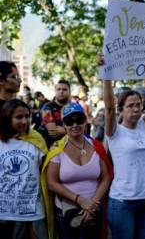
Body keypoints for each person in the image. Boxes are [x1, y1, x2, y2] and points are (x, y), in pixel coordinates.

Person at [102, 58, 145, 238]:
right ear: (121, 110)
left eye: (138, 105)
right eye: (130, 106)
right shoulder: (114, 131)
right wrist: (106, 73)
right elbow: (109, 107)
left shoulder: (143, 125)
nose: (135, 109)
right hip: (122, 202)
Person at [43, 102, 112, 239]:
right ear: (64, 125)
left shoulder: (97, 146)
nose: (75, 125)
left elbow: (106, 177)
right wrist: (79, 200)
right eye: (69, 121)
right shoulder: (57, 148)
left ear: (85, 121)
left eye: (79, 120)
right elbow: (51, 183)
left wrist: (92, 203)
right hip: (66, 211)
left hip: (94, 209)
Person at [0, 99, 48, 239]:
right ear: (7, 118)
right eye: (19, 117)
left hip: (33, 211)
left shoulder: (36, 139)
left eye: (27, 116)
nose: (25, 121)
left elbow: (45, 171)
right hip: (5, 212)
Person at [39, 79, 71, 148]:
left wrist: (64, 130)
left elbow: (83, 129)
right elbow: (53, 131)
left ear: (69, 92)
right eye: (58, 89)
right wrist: (72, 130)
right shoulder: (47, 107)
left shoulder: (73, 107)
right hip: (52, 147)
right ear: (55, 91)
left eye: (64, 89)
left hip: (71, 147)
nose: (61, 91)